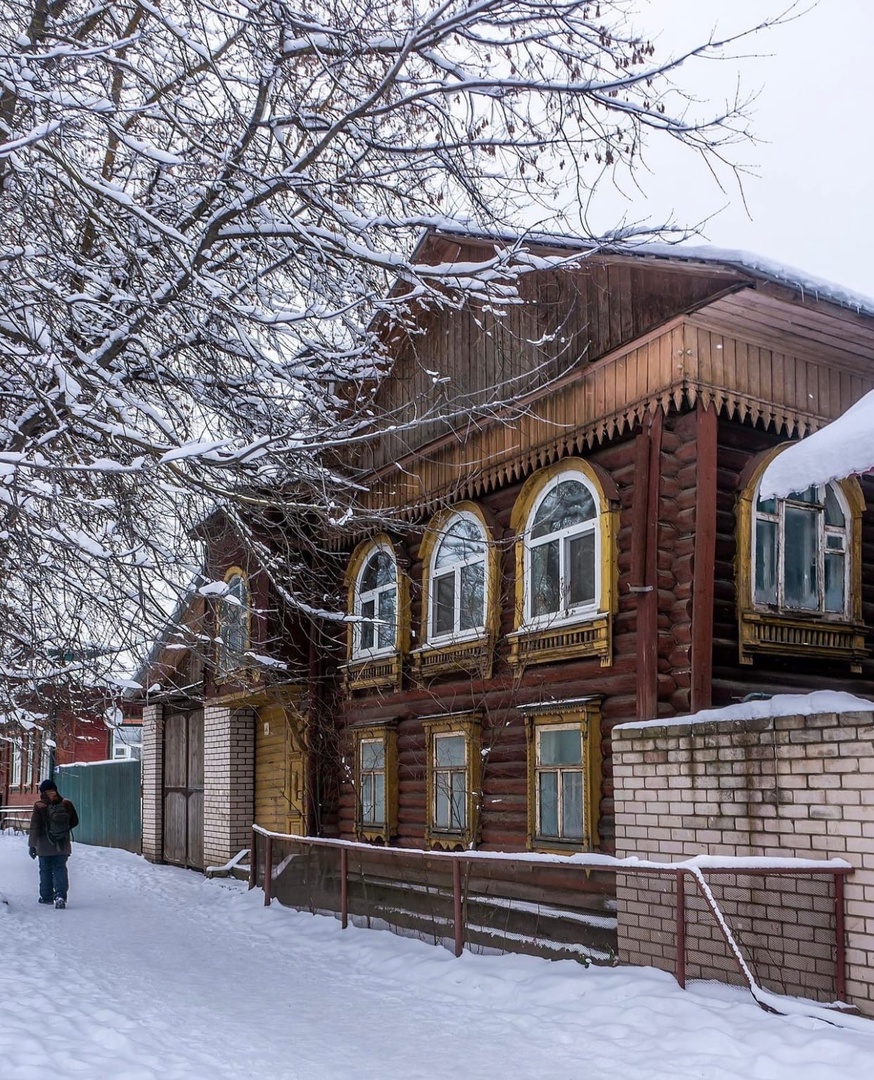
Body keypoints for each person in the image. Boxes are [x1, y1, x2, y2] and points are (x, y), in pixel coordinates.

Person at [28, 779, 79, 909]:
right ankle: (60, 896)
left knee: (45, 870)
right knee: (60, 869)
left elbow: (35, 827)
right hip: (62, 845)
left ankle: (46, 897)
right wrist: (63, 831)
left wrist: (32, 845)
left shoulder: (39, 805)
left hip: (44, 845)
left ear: (42, 792)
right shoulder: (66, 803)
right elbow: (75, 821)